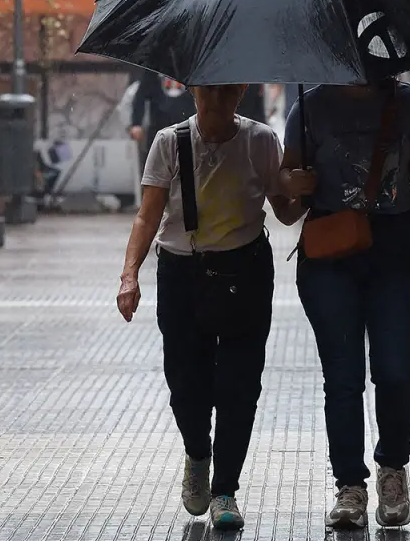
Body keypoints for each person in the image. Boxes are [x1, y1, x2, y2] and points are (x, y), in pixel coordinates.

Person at [277, 77, 410, 529]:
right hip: (330, 249)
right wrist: (291, 183)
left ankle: (392, 470)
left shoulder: (409, 102)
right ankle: (349, 486)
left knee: (396, 369)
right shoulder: (308, 107)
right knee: (343, 376)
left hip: (396, 247)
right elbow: (286, 209)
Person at [116, 83, 300, 531]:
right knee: (185, 383)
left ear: (241, 94)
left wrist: (303, 187)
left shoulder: (260, 140)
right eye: (208, 94)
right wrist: (129, 275)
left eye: (227, 95)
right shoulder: (169, 142)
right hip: (182, 274)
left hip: (246, 273)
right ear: (193, 92)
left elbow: (286, 211)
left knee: (240, 385)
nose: (217, 104)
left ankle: (225, 490)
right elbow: (147, 215)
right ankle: (197, 452)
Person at [129, 71, 196, 166]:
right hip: (159, 125)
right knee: (156, 166)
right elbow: (141, 95)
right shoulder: (154, 67)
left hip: (186, 125)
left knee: (187, 166)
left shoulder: (192, 65)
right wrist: (136, 123)